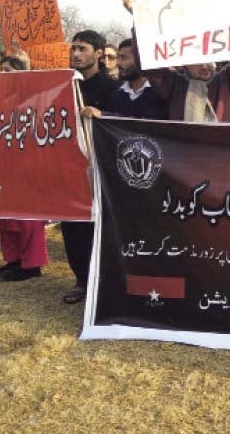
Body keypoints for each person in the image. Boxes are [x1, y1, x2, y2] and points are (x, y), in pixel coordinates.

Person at [61, 30, 119, 304]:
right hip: (69, 167)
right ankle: (82, 281)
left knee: (100, 227)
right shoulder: (64, 86)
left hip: (100, 169)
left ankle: (103, 283)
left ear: (98, 53)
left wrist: (101, 116)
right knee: (73, 226)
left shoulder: (111, 88)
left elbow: (122, 124)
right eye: (73, 48)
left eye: (82, 49)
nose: (75, 54)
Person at [80, 38, 168, 120]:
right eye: (118, 57)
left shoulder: (161, 92)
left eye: (123, 57)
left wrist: (104, 115)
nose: (118, 63)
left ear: (141, 59)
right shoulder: (116, 94)